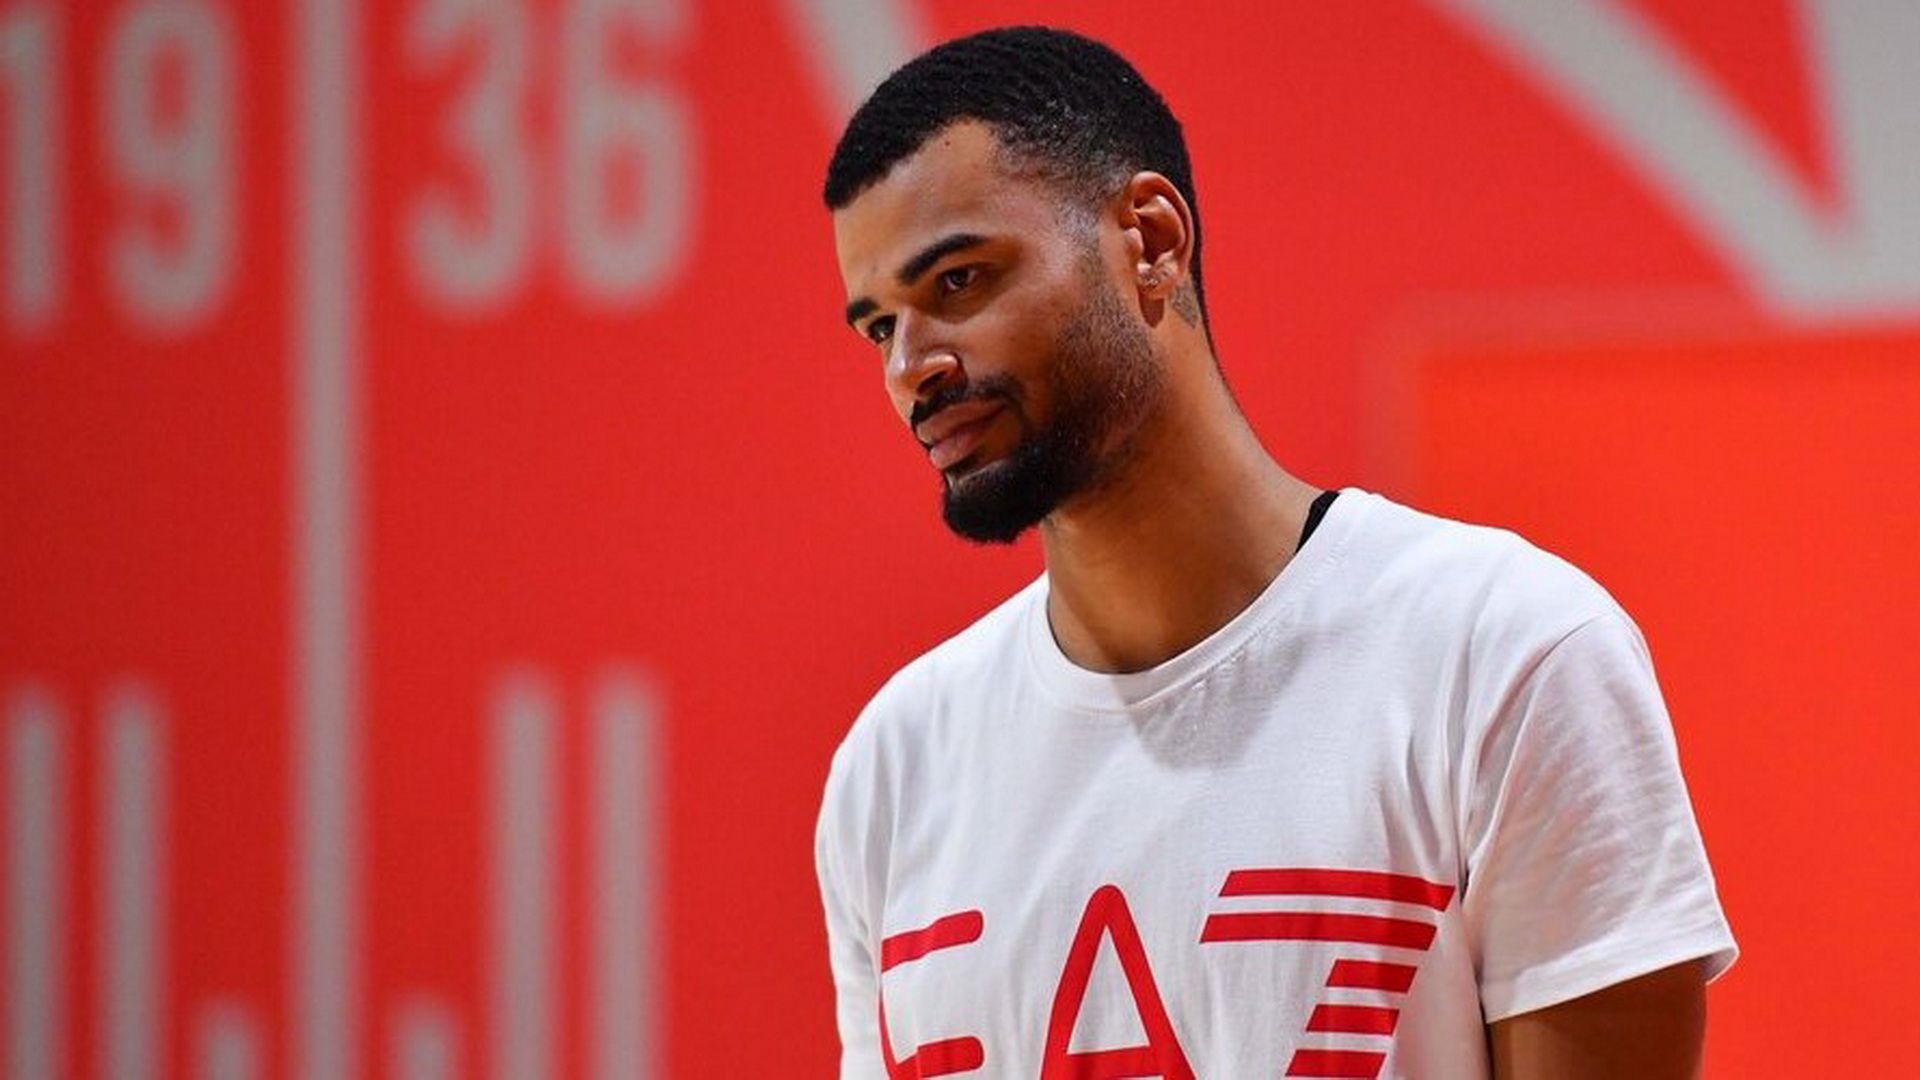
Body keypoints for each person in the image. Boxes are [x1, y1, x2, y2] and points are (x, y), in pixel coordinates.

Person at [815, 25, 1734, 1080]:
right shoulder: (894, 768)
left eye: (959, 281)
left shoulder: (1506, 655)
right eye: (878, 326)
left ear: (1151, 240)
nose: (911, 368)